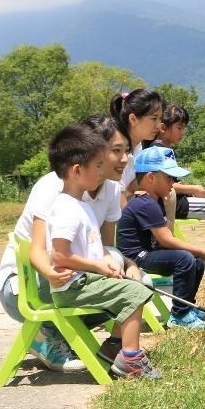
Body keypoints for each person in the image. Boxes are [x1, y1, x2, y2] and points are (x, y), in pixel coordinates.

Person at [0, 115, 134, 372]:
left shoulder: (112, 189)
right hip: (26, 285)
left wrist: (125, 264)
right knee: (112, 283)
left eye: (127, 150)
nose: (126, 159)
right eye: (117, 151)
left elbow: (104, 247)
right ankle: (44, 334)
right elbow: (37, 250)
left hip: (72, 275)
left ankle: (111, 346)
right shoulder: (53, 187)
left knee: (126, 276)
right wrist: (49, 272)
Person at [46, 122, 162, 379]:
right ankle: (129, 357)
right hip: (73, 287)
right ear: (77, 170)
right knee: (134, 292)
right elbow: (59, 256)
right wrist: (98, 267)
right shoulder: (66, 208)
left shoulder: (80, 204)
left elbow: (94, 249)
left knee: (136, 287)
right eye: (97, 166)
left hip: (84, 281)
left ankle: (115, 349)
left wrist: (108, 264)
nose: (102, 171)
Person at [117, 146, 205, 328]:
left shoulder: (155, 200)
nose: (173, 183)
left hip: (150, 251)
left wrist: (199, 254)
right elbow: (166, 240)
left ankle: (186, 306)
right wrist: (202, 250)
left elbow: (166, 236)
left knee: (195, 261)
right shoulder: (145, 203)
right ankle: (179, 316)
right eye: (169, 177)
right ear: (150, 177)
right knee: (185, 258)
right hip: (135, 257)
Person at [156, 104, 205, 220]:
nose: (183, 132)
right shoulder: (160, 151)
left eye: (184, 128)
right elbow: (162, 185)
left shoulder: (165, 150)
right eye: (179, 128)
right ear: (163, 128)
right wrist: (193, 188)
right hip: (175, 205)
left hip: (177, 201)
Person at [110, 89, 164, 202]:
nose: (159, 125)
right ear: (133, 119)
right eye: (154, 119)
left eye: (160, 119)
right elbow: (117, 199)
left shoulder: (138, 146)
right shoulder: (114, 150)